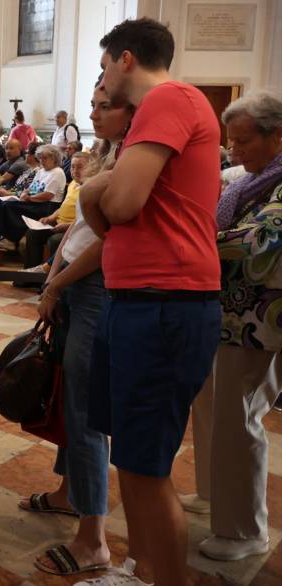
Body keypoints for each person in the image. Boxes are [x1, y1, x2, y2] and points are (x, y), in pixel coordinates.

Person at [79, 18, 222, 586]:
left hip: (165, 302)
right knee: (131, 458)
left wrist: (95, 190)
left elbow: (121, 204)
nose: (103, 78)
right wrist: (96, 192)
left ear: (126, 59)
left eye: (104, 66)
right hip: (137, 299)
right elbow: (108, 208)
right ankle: (140, 571)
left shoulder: (168, 98)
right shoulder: (161, 108)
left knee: (148, 463)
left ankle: (167, 580)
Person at [18, 83, 135, 580]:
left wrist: (58, 283)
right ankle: (70, 494)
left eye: (103, 105)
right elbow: (80, 226)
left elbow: (111, 244)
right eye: (93, 103)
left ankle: (94, 540)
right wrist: (52, 274)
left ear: (132, 111)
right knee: (69, 397)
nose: (92, 112)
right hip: (70, 287)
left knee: (85, 413)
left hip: (94, 292)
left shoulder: (137, 161)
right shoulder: (107, 151)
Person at [186, 91, 282, 563]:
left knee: (240, 416)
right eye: (231, 140)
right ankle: (210, 492)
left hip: (260, 321)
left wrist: (191, 236)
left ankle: (245, 529)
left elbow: (261, 241)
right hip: (225, 312)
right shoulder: (251, 179)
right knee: (209, 404)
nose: (233, 150)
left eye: (244, 141)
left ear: (277, 136)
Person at [23, 151, 96, 271]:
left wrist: (65, 226)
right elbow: (63, 207)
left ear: (91, 168)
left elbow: (87, 219)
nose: (75, 171)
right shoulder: (73, 184)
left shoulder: (90, 187)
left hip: (73, 229)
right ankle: (30, 275)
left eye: (80, 167)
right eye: (72, 167)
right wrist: (50, 218)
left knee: (55, 240)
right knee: (33, 233)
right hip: (58, 224)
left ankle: (52, 278)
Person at [0, 144, 66, 252]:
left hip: (47, 206)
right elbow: (32, 187)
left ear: (54, 159)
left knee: (9, 207)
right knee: (3, 204)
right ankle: (5, 236)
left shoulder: (57, 172)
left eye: (45, 158)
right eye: (40, 158)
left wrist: (29, 198)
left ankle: (11, 241)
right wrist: (25, 193)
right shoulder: (41, 171)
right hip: (35, 201)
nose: (42, 161)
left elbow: (48, 195)